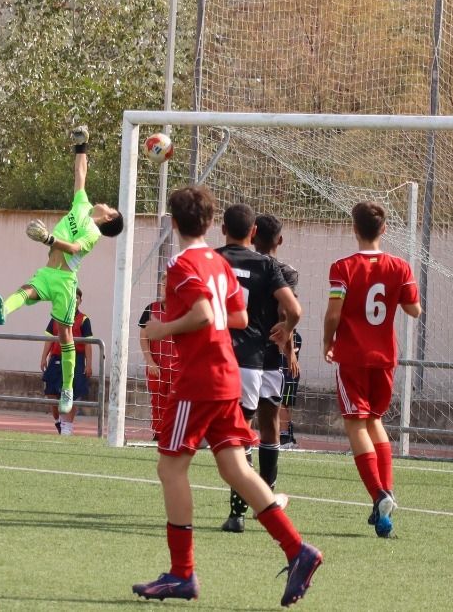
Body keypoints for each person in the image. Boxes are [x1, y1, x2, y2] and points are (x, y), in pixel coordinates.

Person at [134, 185, 321, 606]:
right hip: (226, 376)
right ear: (208, 222)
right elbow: (235, 314)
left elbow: (203, 313)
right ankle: (298, 550)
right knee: (235, 468)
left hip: (199, 378)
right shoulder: (216, 264)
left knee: (171, 469)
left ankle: (182, 573)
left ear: (174, 222)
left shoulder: (182, 263)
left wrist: (161, 328)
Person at [0, 125, 123, 415]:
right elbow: (80, 175)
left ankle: (67, 389)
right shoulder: (82, 205)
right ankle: (4, 311)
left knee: (64, 336)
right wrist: (81, 147)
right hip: (49, 273)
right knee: (25, 291)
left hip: (64, 281)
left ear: (109, 217)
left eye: (110, 207)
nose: (106, 203)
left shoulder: (93, 233)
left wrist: (49, 238)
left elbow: (74, 250)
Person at [323, 200, 422, 539]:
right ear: (383, 230)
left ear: (354, 229)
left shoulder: (342, 267)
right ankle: (387, 492)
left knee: (355, 425)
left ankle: (378, 493)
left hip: (352, 356)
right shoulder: (401, 267)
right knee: (376, 421)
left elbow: (334, 312)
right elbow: (414, 310)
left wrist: (327, 341)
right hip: (384, 357)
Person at [218, 207, 301, 534]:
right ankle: (266, 497)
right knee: (269, 426)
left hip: (239, 354)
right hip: (268, 356)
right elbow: (287, 309)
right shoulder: (280, 270)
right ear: (277, 239)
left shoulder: (225, 261)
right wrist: (288, 341)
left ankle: (240, 510)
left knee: (241, 432)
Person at [41, 289, 93, 435]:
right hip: (57, 357)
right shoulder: (57, 316)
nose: (75, 300)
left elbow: (88, 343)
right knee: (51, 392)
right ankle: (58, 421)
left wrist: (89, 364)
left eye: (77, 298)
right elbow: (49, 338)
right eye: (72, 298)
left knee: (72, 393)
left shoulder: (84, 319)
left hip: (76, 358)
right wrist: (44, 357)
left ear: (80, 301)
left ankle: (67, 427)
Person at [138, 299, 177, 438]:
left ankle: (174, 435)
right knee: (157, 403)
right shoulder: (151, 308)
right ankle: (159, 434)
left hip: (178, 368)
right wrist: (149, 361)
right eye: (162, 285)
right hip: (156, 367)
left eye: (167, 285)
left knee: (175, 404)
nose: (164, 289)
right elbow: (143, 337)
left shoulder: (185, 309)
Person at [279, 328, 302, 448]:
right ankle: (287, 436)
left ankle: (285, 437)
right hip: (283, 376)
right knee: (281, 405)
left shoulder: (295, 337)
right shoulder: (281, 334)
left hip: (288, 376)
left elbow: (287, 350)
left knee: (283, 405)